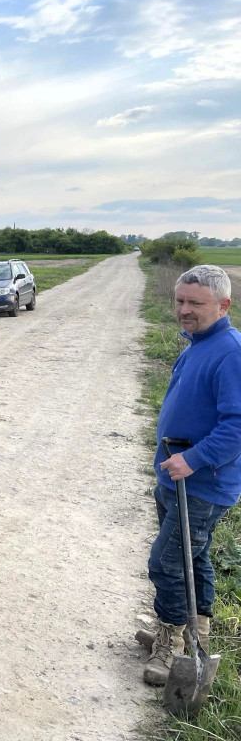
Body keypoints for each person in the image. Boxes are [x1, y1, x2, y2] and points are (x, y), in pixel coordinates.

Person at [140, 264, 241, 686]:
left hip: (201, 484)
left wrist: (194, 459)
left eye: (195, 303)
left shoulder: (231, 351)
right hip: (177, 480)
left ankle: (171, 643)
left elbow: (236, 424)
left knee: (165, 564)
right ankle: (194, 634)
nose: (184, 309)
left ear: (223, 305)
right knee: (192, 558)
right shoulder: (196, 343)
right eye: (180, 300)